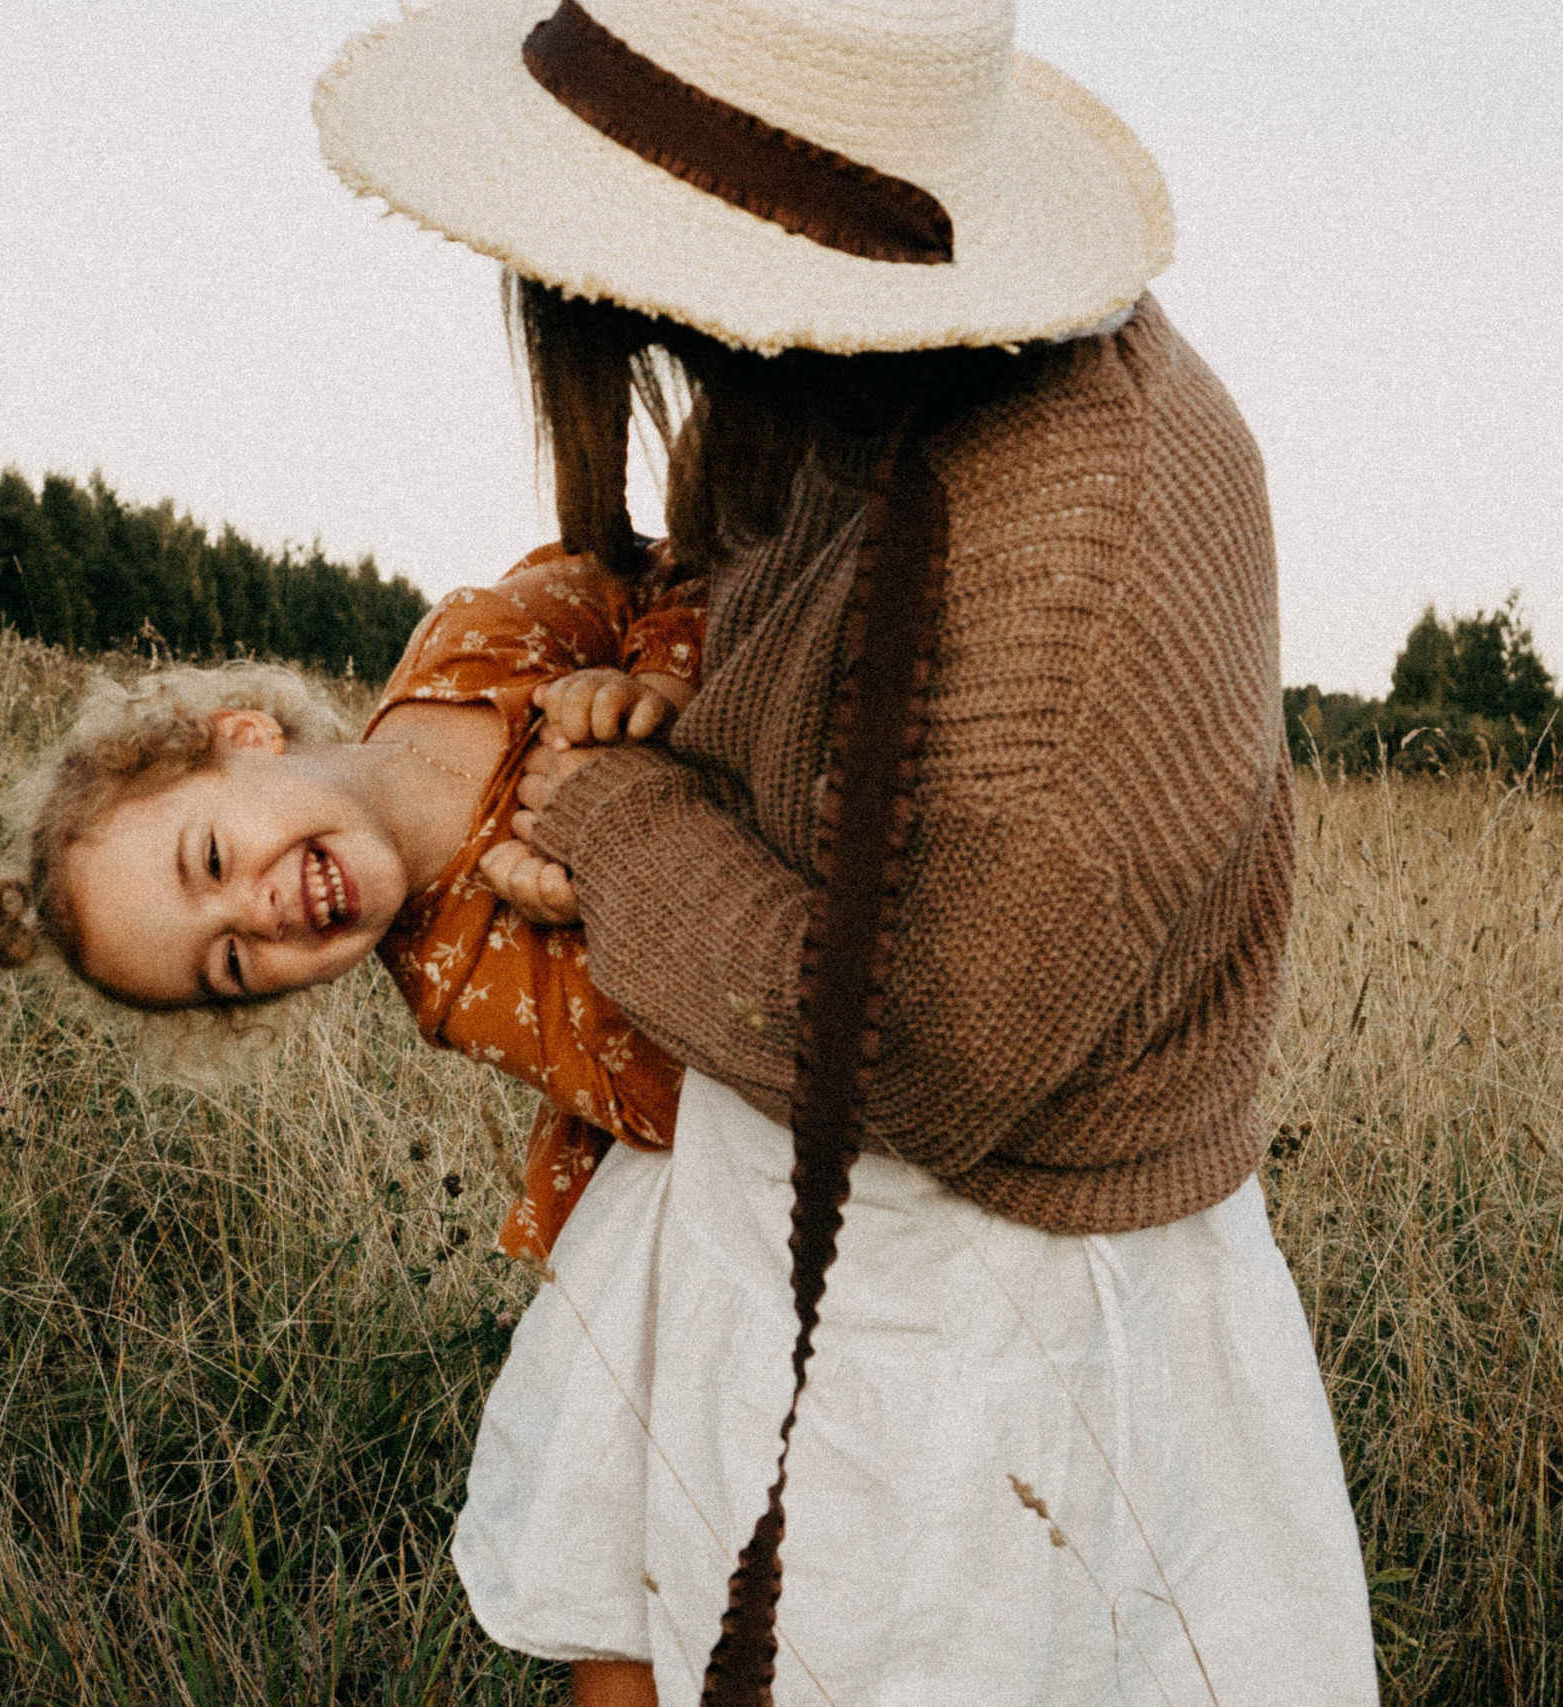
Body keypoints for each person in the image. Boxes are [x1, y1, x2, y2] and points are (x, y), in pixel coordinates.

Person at [317, 2, 1379, 1704]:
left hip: (980, 1330)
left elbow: (933, 1046)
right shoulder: (830, 372)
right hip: (780, 1208)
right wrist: (654, 683)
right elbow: (747, 606)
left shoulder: (1078, 538)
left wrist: (605, 818)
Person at [0, 545, 700, 1259]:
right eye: (230, 960)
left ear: (244, 736)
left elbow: (686, 566)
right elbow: (685, 1088)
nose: (259, 916)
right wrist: (618, 879)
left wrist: (657, 689)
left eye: (214, 859)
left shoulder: (468, 647)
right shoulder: (470, 983)